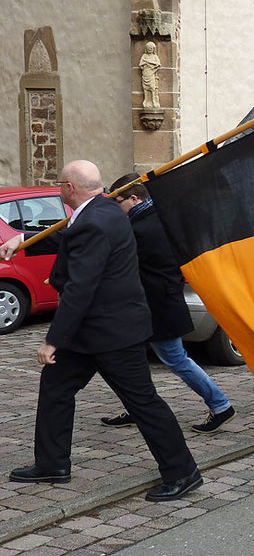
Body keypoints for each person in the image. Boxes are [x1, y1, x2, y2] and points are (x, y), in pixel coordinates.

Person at [0, 161, 201, 501]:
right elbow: (67, 236)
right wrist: (23, 240)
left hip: (113, 333)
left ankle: (183, 472)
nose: (60, 189)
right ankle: (52, 464)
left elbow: (80, 288)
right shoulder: (106, 209)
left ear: (69, 188)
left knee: (143, 403)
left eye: (60, 184)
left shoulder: (95, 220)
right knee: (56, 387)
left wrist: (52, 340)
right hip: (91, 333)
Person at [100, 173, 235, 433]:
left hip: (157, 307)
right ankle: (136, 408)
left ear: (134, 198)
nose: (117, 208)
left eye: (118, 202)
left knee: (175, 359)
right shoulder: (157, 217)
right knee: (132, 358)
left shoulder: (140, 228)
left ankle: (220, 405)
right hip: (152, 305)